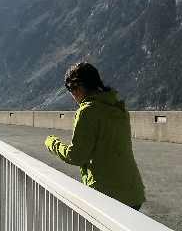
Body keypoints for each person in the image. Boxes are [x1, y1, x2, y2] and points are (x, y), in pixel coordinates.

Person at [44, 62, 146, 210]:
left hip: (108, 194)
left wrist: (52, 143)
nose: (73, 97)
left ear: (77, 88)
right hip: (132, 191)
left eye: (71, 91)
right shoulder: (117, 107)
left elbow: (77, 156)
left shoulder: (87, 111)